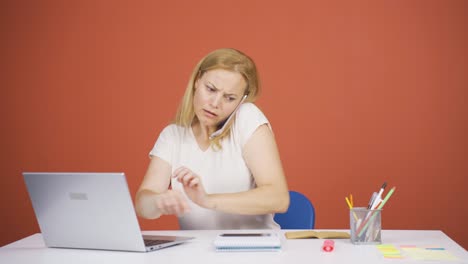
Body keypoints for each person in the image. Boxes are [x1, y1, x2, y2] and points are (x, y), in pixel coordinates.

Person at [135, 48, 289, 229]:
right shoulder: (172, 136)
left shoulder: (247, 118)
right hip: (196, 253)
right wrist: (158, 201)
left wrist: (207, 200)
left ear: (241, 100)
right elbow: (142, 205)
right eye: (210, 89)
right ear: (197, 81)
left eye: (229, 98)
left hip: (251, 252)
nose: (215, 103)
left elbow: (278, 198)